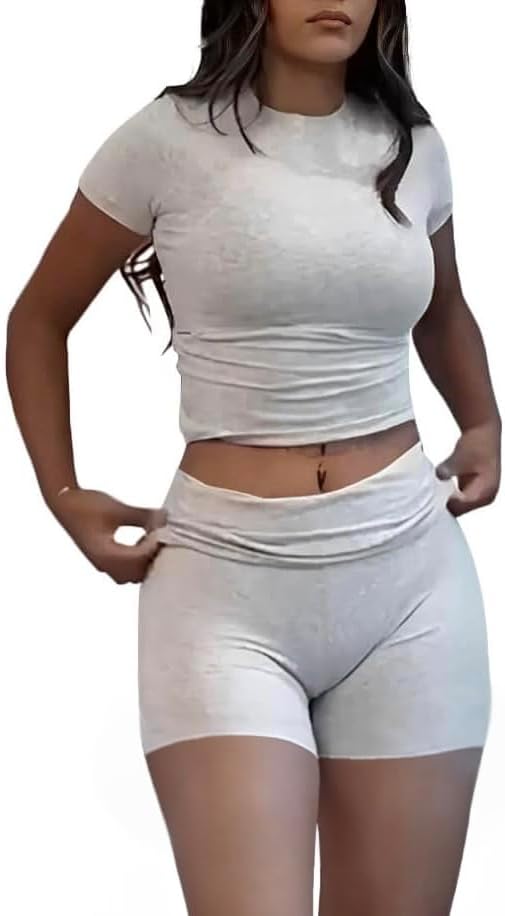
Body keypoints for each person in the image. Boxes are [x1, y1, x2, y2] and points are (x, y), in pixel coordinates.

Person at [6, 1, 501, 914]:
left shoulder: (412, 146)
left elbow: (442, 308)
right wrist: (62, 490)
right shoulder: (166, 139)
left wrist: (482, 423)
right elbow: (38, 318)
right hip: (225, 591)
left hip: (410, 583)